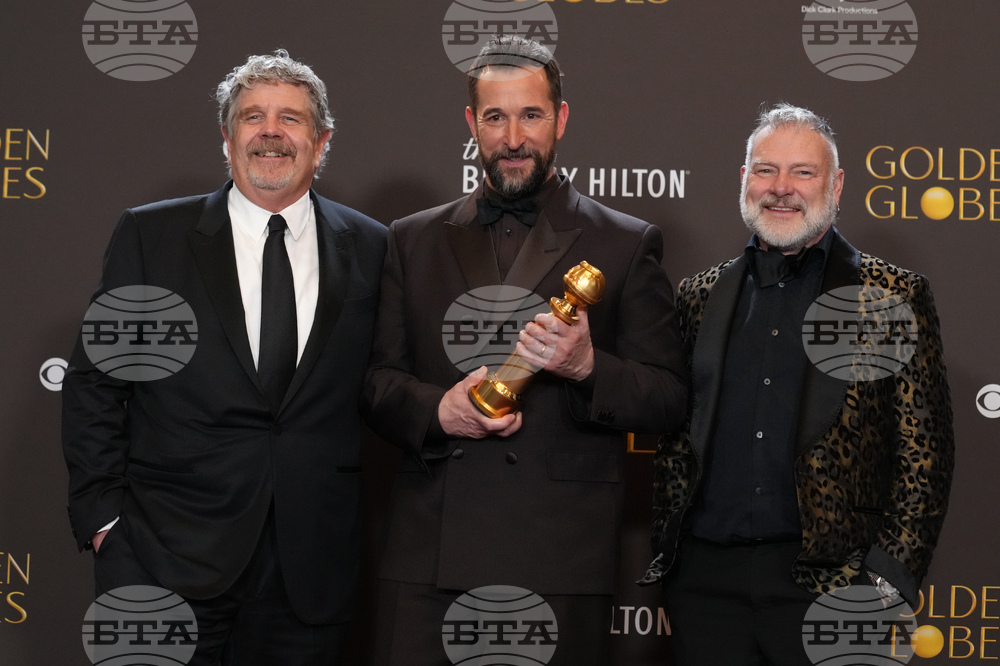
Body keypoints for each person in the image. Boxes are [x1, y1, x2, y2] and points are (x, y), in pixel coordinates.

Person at [360, 35, 687, 665]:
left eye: (531, 115)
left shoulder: (625, 243)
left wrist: (587, 367)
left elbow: (669, 398)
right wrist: (438, 412)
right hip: (429, 556)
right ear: (471, 124)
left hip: (558, 559)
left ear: (560, 118)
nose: (513, 137)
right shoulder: (412, 239)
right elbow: (376, 383)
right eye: (496, 117)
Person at [61, 49, 386, 665]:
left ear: (321, 142)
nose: (270, 132)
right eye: (252, 116)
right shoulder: (152, 236)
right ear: (227, 135)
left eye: (290, 118)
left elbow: (383, 382)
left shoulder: (373, 246)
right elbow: (95, 386)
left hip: (309, 572)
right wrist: (105, 524)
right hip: (162, 558)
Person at [643, 103, 955, 665]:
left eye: (802, 172)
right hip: (706, 586)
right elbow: (675, 434)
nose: (781, 188)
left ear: (836, 185)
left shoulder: (890, 295)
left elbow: (924, 451)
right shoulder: (698, 295)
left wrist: (887, 577)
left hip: (835, 588)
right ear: (744, 179)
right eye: (766, 170)